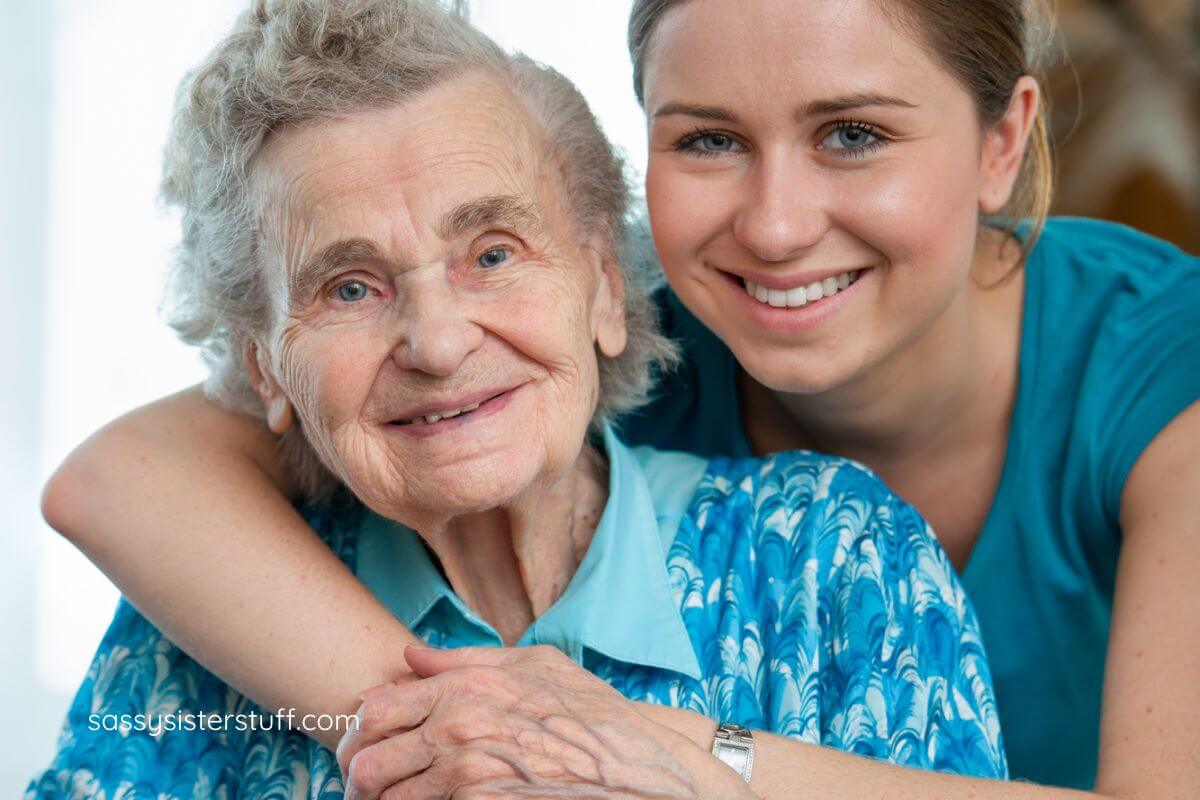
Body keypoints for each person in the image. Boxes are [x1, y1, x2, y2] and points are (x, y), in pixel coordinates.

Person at [40, 0, 1200, 796]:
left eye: (854, 133)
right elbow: (120, 477)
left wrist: (643, 752)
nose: (777, 224)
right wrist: (475, 740)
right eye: (707, 139)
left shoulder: (1142, 376)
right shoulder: (606, 314)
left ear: (1004, 139)